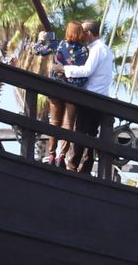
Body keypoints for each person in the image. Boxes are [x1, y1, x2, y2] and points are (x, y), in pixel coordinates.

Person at [54, 18, 112, 172]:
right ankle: (85, 168)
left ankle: (73, 165)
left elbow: (87, 71)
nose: (80, 34)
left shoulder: (96, 49)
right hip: (102, 96)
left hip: (91, 96)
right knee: (92, 135)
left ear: (89, 33)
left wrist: (64, 69)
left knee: (81, 132)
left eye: (83, 31)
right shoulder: (106, 49)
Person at [32, 20, 88, 166]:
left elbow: (37, 50)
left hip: (55, 87)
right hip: (73, 89)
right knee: (68, 124)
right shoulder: (84, 51)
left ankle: (51, 154)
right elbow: (85, 73)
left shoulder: (59, 45)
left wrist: (41, 38)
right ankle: (61, 156)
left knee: (55, 122)